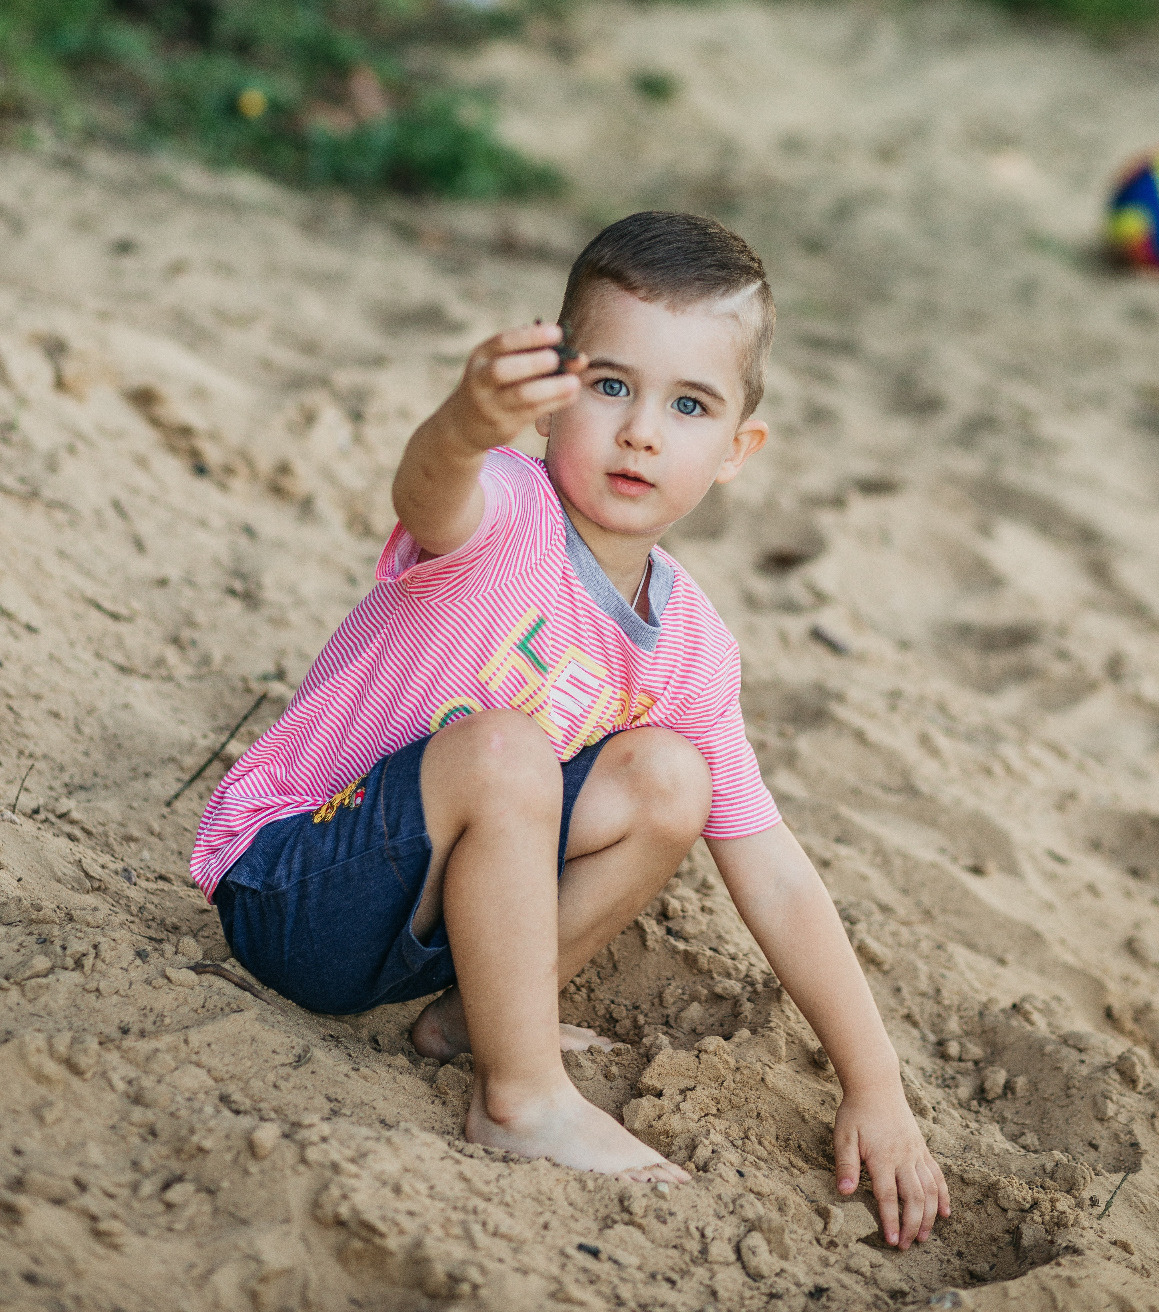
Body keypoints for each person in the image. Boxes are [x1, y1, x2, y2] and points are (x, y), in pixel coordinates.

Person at [191, 211, 948, 1245]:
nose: (640, 429)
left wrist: (876, 1083)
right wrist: (465, 419)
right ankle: (520, 1098)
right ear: (549, 404)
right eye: (608, 386)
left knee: (671, 780)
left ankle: (485, 1014)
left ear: (736, 449)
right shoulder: (502, 510)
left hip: (428, 926)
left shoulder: (689, 643)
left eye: (688, 405)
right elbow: (428, 487)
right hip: (298, 888)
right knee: (505, 748)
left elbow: (767, 867)